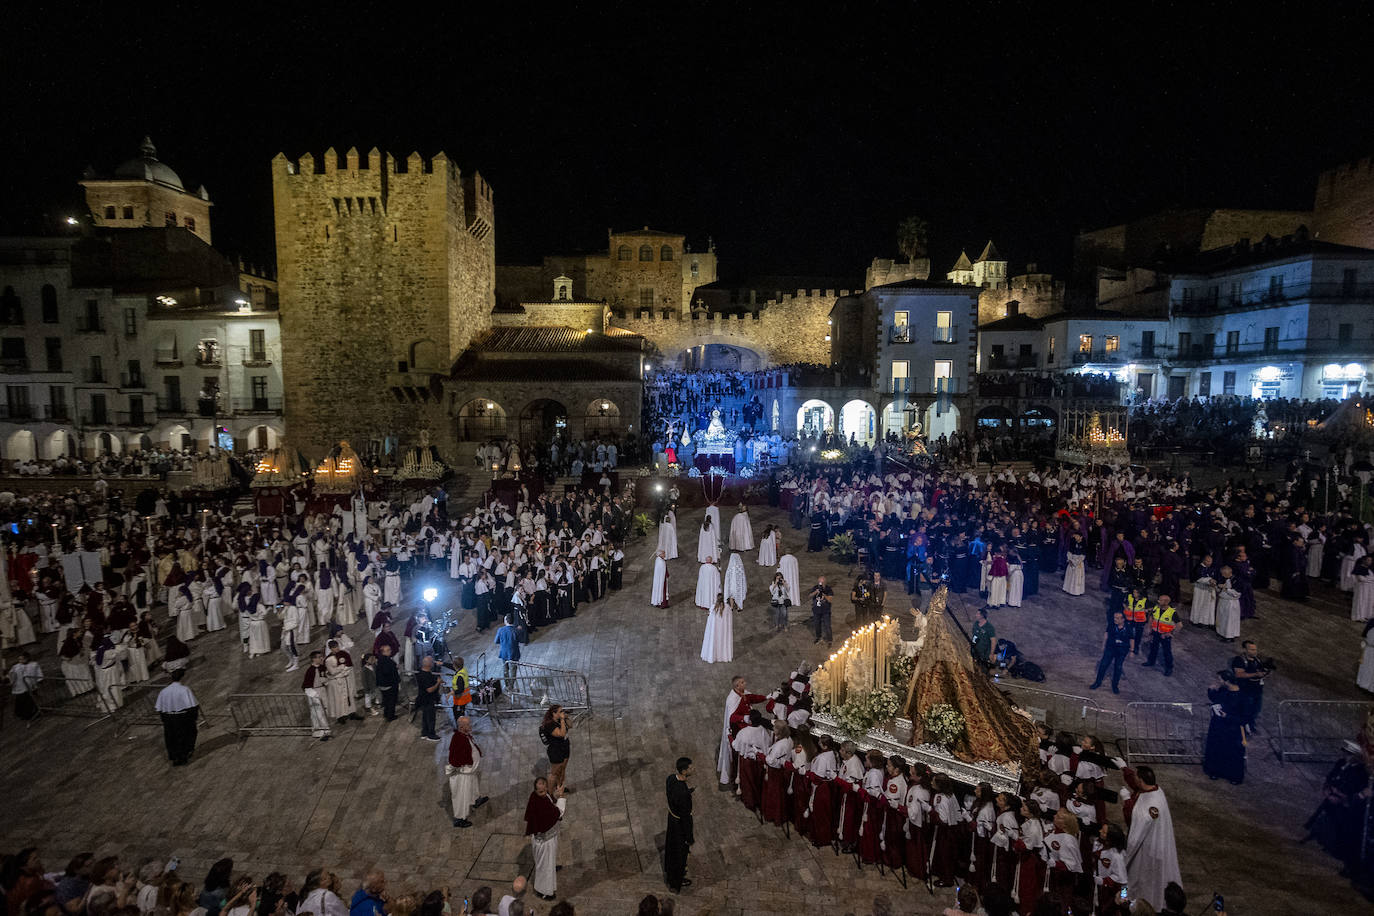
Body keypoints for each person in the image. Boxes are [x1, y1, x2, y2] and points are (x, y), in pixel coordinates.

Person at [1123, 765, 1182, 910]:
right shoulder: (1155, 789)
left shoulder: (1151, 805)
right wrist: (1124, 769)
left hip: (1146, 849)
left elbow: (1134, 819)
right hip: (1151, 845)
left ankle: (1129, 904)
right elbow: (1136, 784)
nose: (1134, 779)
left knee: (1134, 879)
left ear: (1141, 781)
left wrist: (1126, 801)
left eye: (1136, 777)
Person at [717, 675, 765, 788]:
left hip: (747, 728)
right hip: (738, 731)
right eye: (743, 682)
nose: (745, 683)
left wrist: (766, 697)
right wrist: (744, 718)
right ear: (737, 686)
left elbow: (752, 698)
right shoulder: (732, 699)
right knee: (738, 756)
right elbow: (732, 718)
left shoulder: (744, 693)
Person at [524, 777, 566, 901]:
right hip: (544, 841)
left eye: (545, 790)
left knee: (548, 863)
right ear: (536, 791)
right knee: (544, 867)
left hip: (549, 836)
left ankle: (551, 867)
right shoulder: (540, 803)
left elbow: (550, 801)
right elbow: (558, 812)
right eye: (540, 792)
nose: (543, 793)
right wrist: (562, 796)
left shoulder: (542, 796)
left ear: (547, 787)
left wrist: (555, 796)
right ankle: (544, 891)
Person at [1203, 674, 1246, 785]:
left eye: (1220, 679)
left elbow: (1244, 717)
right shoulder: (1223, 691)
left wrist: (1228, 717)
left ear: (1227, 681)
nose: (1219, 681)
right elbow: (1216, 698)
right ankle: (1215, 771)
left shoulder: (1242, 697)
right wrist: (1210, 690)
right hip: (1219, 726)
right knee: (1217, 749)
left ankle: (1234, 776)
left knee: (1232, 752)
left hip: (1233, 729)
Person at [447, 715, 488, 827]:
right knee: (462, 795)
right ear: (461, 727)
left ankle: (475, 800)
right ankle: (460, 818)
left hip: (470, 771)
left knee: (473, 786)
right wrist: (464, 767)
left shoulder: (463, 735)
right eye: (468, 724)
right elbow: (454, 759)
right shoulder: (458, 739)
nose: (471, 726)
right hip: (463, 774)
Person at [154, 669, 198, 766]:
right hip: (182, 717)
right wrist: (193, 718)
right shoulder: (184, 690)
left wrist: (164, 719)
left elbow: (159, 708)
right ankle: (184, 755)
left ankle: (175, 757)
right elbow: (192, 706)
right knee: (184, 736)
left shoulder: (164, 691)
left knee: (171, 737)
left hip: (169, 718)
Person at [664, 756, 695, 893]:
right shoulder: (683, 794)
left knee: (671, 848)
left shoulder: (671, 778)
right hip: (680, 825)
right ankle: (676, 882)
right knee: (680, 853)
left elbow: (672, 795)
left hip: (672, 818)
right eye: (690, 767)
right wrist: (689, 837)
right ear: (683, 771)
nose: (692, 769)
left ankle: (671, 875)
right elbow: (686, 818)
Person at [1090, 610, 1134, 693]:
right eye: (1114, 618)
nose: (1115, 619)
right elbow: (1106, 634)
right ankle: (1097, 682)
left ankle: (1115, 686)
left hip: (1121, 650)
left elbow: (1132, 639)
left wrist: (1131, 651)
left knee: (1118, 667)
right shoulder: (1112, 625)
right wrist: (1103, 645)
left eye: (1117, 618)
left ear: (1123, 619)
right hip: (1111, 648)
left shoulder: (1128, 628)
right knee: (1103, 665)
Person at [1229, 639, 1268, 731]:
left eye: (1255, 649)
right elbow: (1239, 674)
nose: (1255, 652)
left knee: (1256, 710)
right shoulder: (1239, 660)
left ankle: (1250, 726)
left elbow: (1260, 672)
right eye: (1252, 650)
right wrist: (1255, 674)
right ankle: (1242, 728)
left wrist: (1264, 674)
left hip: (1257, 691)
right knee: (1246, 711)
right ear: (1244, 650)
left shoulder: (1257, 660)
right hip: (1246, 691)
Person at [301, 650, 334, 741]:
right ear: (314, 659)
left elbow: (325, 677)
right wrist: (314, 695)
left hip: (322, 690)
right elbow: (305, 686)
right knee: (317, 713)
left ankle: (323, 730)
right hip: (314, 692)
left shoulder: (322, 667)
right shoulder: (310, 671)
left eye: (321, 657)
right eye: (319, 657)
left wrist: (326, 683)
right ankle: (323, 732)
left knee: (324, 710)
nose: (321, 658)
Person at [1141, 595, 1178, 677]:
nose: (1158, 601)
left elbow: (1179, 625)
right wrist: (1150, 627)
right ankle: (1151, 661)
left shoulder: (1172, 612)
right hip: (1156, 632)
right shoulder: (1156, 608)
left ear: (1166, 602)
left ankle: (1169, 668)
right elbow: (1151, 616)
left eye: (1160, 600)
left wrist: (1170, 633)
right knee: (1153, 647)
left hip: (1165, 635)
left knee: (1167, 652)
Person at [540, 704, 573, 794]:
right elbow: (561, 734)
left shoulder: (560, 719)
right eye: (560, 711)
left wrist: (565, 718)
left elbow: (570, 726)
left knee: (562, 769)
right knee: (554, 773)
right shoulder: (549, 724)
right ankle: (550, 794)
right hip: (556, 750)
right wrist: (562, 719)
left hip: (565, 747)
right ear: (554, 713)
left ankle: (560, 787)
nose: (562, 713)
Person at [7, 650, 42, 721]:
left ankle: (34, 713)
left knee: (31, 700)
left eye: (23, 659)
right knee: (21, 701)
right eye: (19, 659)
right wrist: (10, 679)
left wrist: (40, 680)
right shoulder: (16, 667)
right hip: (20, 687)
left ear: (28, 658)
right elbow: (11, 675)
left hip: (31, 686)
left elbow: (38, 673)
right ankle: (23, 714)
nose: (21, 661)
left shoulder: (34, 664)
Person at [700, 593, 733, 663]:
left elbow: (710, 620)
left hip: (714, 630)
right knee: (722, 641)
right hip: (723, 629)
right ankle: (723, 655)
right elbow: (729, 619)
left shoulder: (713, 607)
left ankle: (713, 655)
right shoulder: (727, 607)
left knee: (714, 640)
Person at [415, 655, 441, 741]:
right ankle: (431, 735)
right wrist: (438, 683)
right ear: (428, 664)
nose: (433, 663)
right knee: (430, 718)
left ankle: (424, 733)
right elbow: (429, 690)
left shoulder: (420, 672)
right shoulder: (425, 676)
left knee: (425, 717)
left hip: (422, 698)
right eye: (432, 662)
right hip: (428, 699)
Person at [375, 643, 400, 721]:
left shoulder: (380, 659)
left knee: (386, 700)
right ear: (383, 652)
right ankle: (390, 716)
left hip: (382, 684)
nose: (390, 651)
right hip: (389, 684)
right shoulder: (386, 661)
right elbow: (387, 671)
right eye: (388, 650)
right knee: (391, 700)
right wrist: (395, 667)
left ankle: (386, 713)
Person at [809, 575, 833, 645]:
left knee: (827, 625)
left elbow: (830, 599)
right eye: (819, 582)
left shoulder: (828, 589)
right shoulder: (815, 588)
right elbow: (810, 596)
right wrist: (815, 592)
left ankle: (829, 640)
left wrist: (824, 595)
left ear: (825, 582)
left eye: (821, 582)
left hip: (826, 611)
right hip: (816, 610)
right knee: (817, 625)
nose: (820, 584)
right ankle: (818, 637)